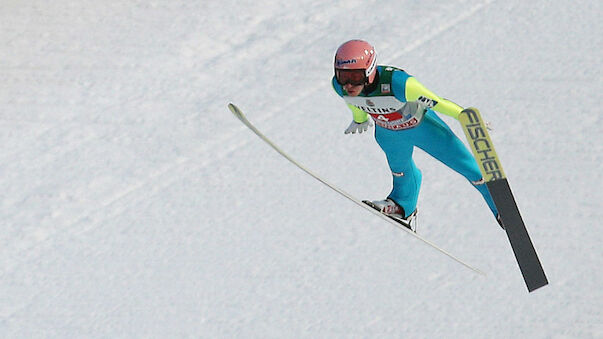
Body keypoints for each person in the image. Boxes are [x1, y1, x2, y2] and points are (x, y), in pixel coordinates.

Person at [331, 39, 500, 227]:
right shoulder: (339, 87)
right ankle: (403, 207)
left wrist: (464, 116)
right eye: (342, 76)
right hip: (389, 135)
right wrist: (360, 119)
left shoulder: (399, 83)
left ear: (370, 70)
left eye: (354, 77)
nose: (347, 84)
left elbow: (438, 102)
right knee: (401, 171)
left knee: (471, 169)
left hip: (423, 129)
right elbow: (354, 102)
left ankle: (501, 208)